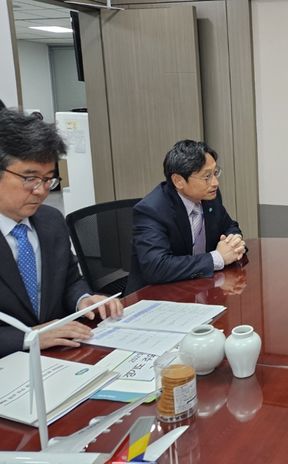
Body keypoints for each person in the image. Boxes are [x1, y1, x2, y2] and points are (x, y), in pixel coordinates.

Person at [0, 109, 123, 358]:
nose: (41, 191)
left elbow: (69, 280)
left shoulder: (50, 220)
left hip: (59, 359)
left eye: (48, 180)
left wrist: (83, 300)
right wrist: (28, 337)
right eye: (30, 178)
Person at [125, 140, 246, 294]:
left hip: (198, 288)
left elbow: (229, 225)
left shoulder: (210, 196)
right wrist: (217, 258)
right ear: (178, 181)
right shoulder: (151, 210)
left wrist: (233, 242)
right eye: (206, 176)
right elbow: (156, 267)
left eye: (215, 173)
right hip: (156, 298)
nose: (215, 183)